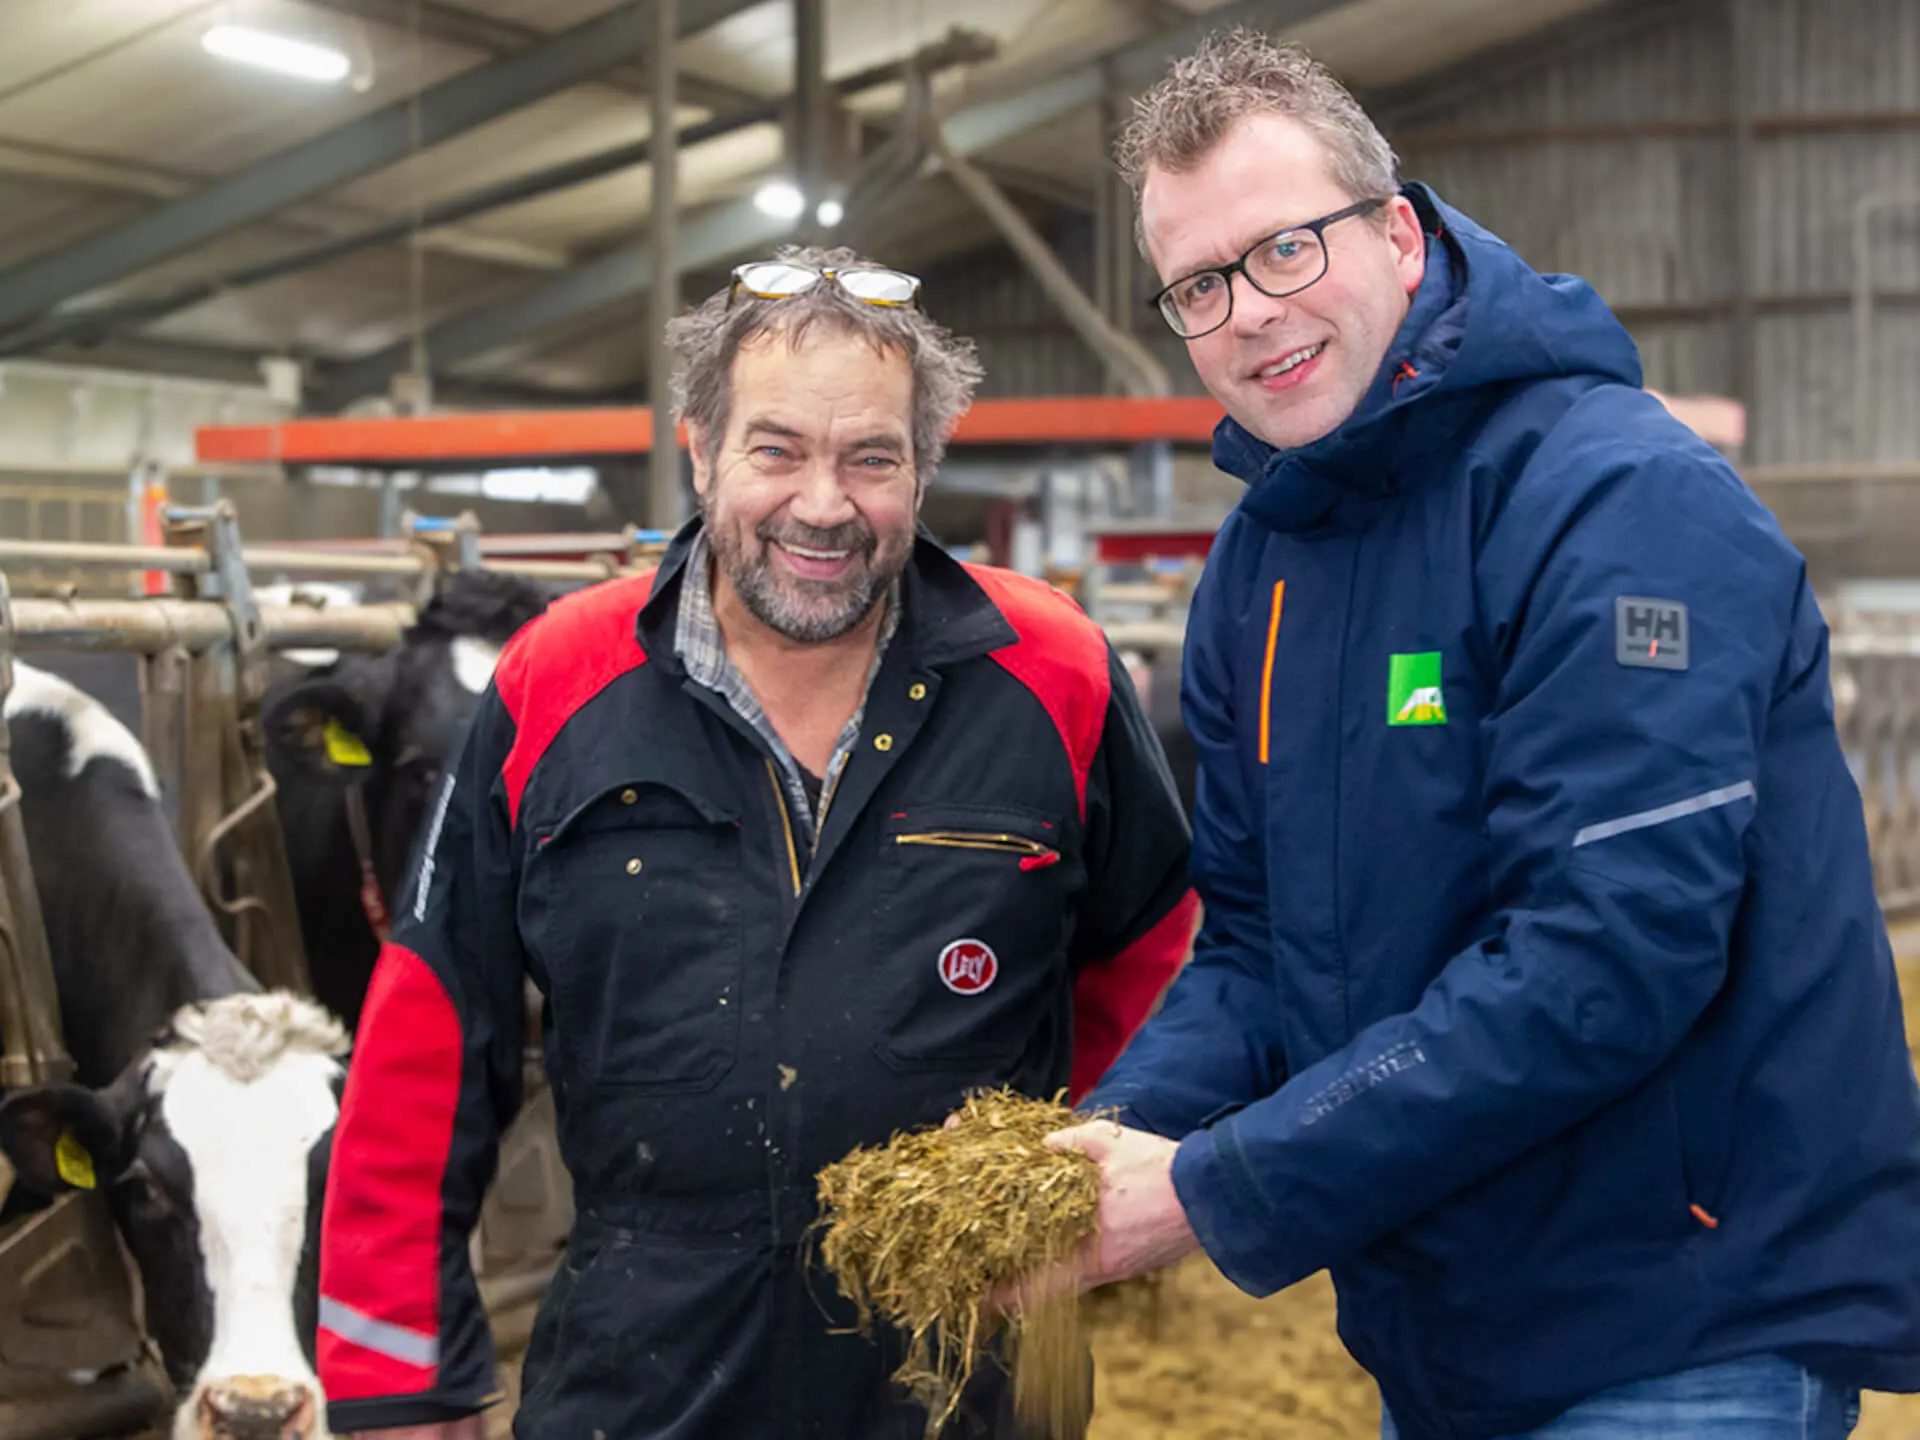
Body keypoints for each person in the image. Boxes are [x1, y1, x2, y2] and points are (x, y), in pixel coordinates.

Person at [1036, 30, 1920, 1440]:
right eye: (1200, 285)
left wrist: (1214, 1188)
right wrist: (1121, 1134)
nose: (1250, 312)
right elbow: (1255, 950)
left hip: (1677, 1327)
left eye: (1285, 250)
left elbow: (1609, 952)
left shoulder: (1615, 498)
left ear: (1398, 234)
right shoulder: (1265, 568)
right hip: (1443, 1328)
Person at [315, 245, 1198, 1440]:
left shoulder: (1051, 672)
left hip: (960, 1361)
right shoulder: (559, 681)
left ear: (923, 468)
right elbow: (431, 1024)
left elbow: (1154, 943)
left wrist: (1056, 1158)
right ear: (700, 450)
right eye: (775, 450)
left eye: (871, 458)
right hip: (643, 1362)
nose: (823, 506)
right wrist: (394, 1373)